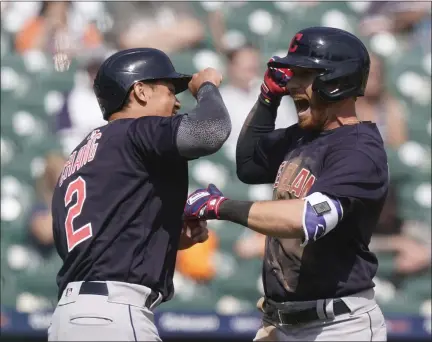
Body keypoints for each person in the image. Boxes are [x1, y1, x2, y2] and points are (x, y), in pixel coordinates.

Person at [183, 27, 389, 341]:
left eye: (304, 74)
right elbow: (249, 166)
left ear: (337, 81)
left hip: (336, 327)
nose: (291, 83)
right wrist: (267, 100)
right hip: (280, 323)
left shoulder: (359, 150)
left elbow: (309, 218)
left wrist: (220, 207)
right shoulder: (303, 136)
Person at [48, 47, 231, 341]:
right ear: (141, 91)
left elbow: (98, 243)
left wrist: (170, 233)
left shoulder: (80, 156)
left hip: (70, 316)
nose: (177, 101)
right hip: (113, 313)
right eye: (170, 90)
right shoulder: (134, 132)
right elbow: (210, 131)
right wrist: (206, 87)